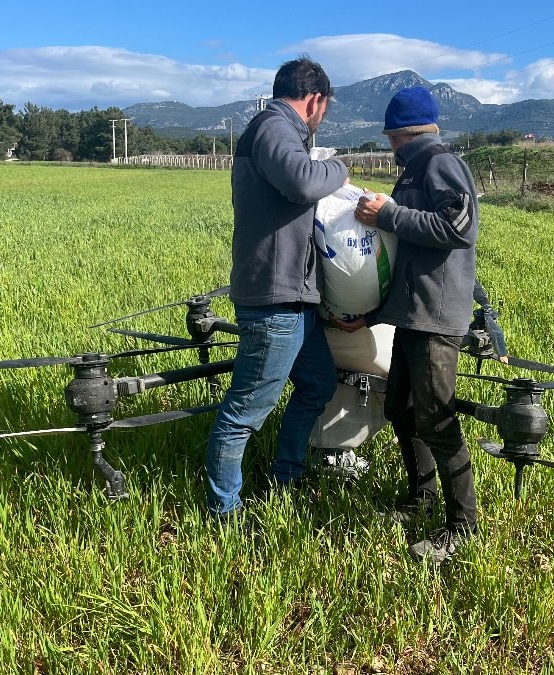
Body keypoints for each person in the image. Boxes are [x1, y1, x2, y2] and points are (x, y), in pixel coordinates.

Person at [204, 56, 349, 519]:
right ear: (315, 100)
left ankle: (287, 475)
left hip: (295, 296)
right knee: (245, 410)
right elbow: (303, 182)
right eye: (325, 107)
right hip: (275, 298)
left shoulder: (281, 131)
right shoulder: (272, 127)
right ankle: (224, 512)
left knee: (317, 384)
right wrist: (340, 168)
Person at [353, 86, 480, 563]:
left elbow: (457, 229)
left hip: (434, 317)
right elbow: (406, 255)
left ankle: (463, 528)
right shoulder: (416, 168)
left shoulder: (439, 162)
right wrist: (369, 315)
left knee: (437, 419)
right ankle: (421, 497)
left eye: (388, 135)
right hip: (412, 314)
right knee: (402, 412)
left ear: (397, 133)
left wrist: (390, 212)